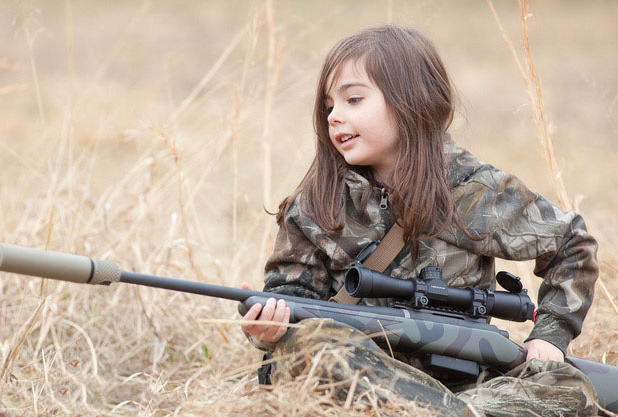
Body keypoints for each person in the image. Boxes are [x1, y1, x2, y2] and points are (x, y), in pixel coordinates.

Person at [240, 25, 599, 416]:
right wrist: (271, 330)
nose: (335, 116)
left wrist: (550, 335)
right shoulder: (316, 203)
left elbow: (572, 244)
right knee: (311, 345)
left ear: (413, 101)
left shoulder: (476, 192)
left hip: (472, 385)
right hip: (369, 377)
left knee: (569, 387)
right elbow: (294, 303)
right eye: (328, 106)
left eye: (353, 99)